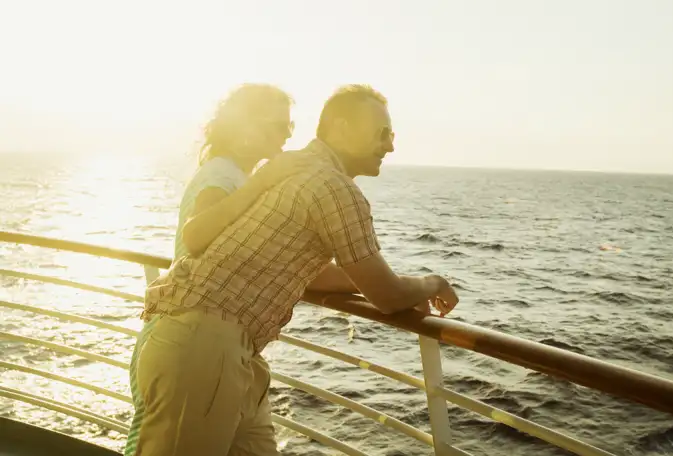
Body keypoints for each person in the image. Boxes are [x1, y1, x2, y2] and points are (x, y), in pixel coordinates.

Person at [135, 84, 459, 456]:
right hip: (206, 348)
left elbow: (302, 269)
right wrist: (432, 283)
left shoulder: (293, 172)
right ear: (341, 128)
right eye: (382, 133)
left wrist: (375, 283)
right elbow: (386, 296)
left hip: (225, 349)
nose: (390, 146)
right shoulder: (333, 188)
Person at [124, 83, 300, 456]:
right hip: (195, 345)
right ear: (245, 127)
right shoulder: (222, 175)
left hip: (231, 349)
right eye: (278, 125)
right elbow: (198, 232)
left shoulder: (239, 179)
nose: (287, 134)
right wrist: (267, 181)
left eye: (290, 125)